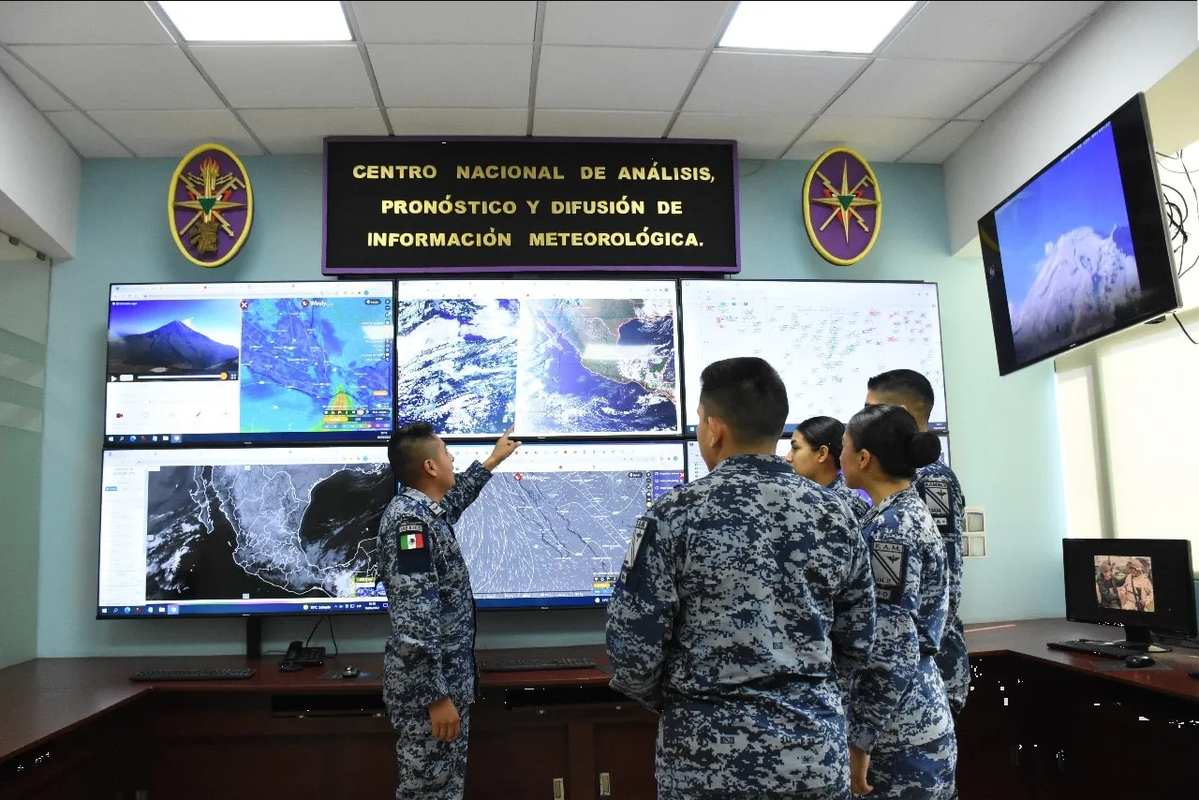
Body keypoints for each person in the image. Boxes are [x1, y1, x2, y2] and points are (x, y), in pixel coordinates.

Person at [606, 356, 876, 800]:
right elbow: (858, 640)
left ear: (714, 429)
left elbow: (633, 653)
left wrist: (687, 702)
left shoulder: (672, 515)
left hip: (704, 761)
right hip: (810, 757)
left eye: (697, 420)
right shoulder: (837, 516)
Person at [378, 422, 521, 800]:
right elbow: (414, 621)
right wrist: (436, 698)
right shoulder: (410, 525)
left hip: (444, 684)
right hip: (431, 694)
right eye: (445, 452)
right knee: (429, 792)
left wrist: (491, 461)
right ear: (429, 466)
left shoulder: (425, 513)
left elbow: (454, 501)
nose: (452, 458)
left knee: (444, 790)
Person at [841, 403, 955, 798]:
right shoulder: (901, 513)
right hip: (914, 715)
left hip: (897, 733)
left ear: (863, 458)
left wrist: (861, 741)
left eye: (843, 447)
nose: (840, 458)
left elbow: (891, 646)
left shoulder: (891, 531)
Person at [864, 369, 968, 720]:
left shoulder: (932, 478)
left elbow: (948, 578)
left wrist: (919, 651)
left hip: (928, 668)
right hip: (900, 668)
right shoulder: (894, 477)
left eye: (872, 409)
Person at [786, 415, 872, 521]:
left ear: (822, 454)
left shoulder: (844, 505)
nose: (787, 457)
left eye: (795, 448)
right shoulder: (808, 495)